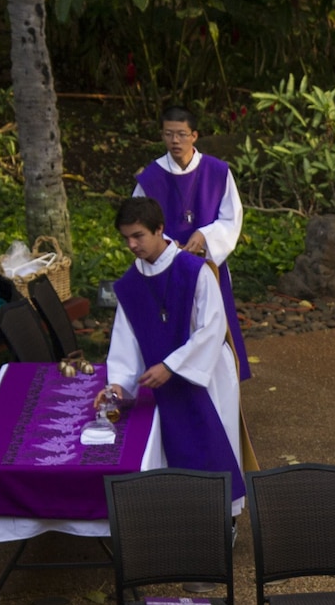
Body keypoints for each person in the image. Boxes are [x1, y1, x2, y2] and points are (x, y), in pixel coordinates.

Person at [104, 196, 247, 512]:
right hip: (162, 383)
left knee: (213, 445)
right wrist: (118, 383)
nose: (131, 245)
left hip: (205, 376)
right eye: (126, 237)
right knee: (171, 451)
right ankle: (185, 516)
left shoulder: (194, 269)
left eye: (138, 235)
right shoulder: (130, 285)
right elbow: (125, 339)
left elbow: (213, 327)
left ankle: (226, 519)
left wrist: (172, 366)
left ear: (159, 229)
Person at [133, 106, 251, 384]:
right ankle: (174, 381)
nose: (175, 141)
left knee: (213, 325)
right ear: (162, 136)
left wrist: (206, 236)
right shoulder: (150, 178)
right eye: (168, 134)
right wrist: (162, 245)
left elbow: (231, 217)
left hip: (209, 266)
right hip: (167, 267)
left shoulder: (218, 171)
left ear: (194, 135)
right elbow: (138, 222)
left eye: (181, 134)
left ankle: (221, 384)